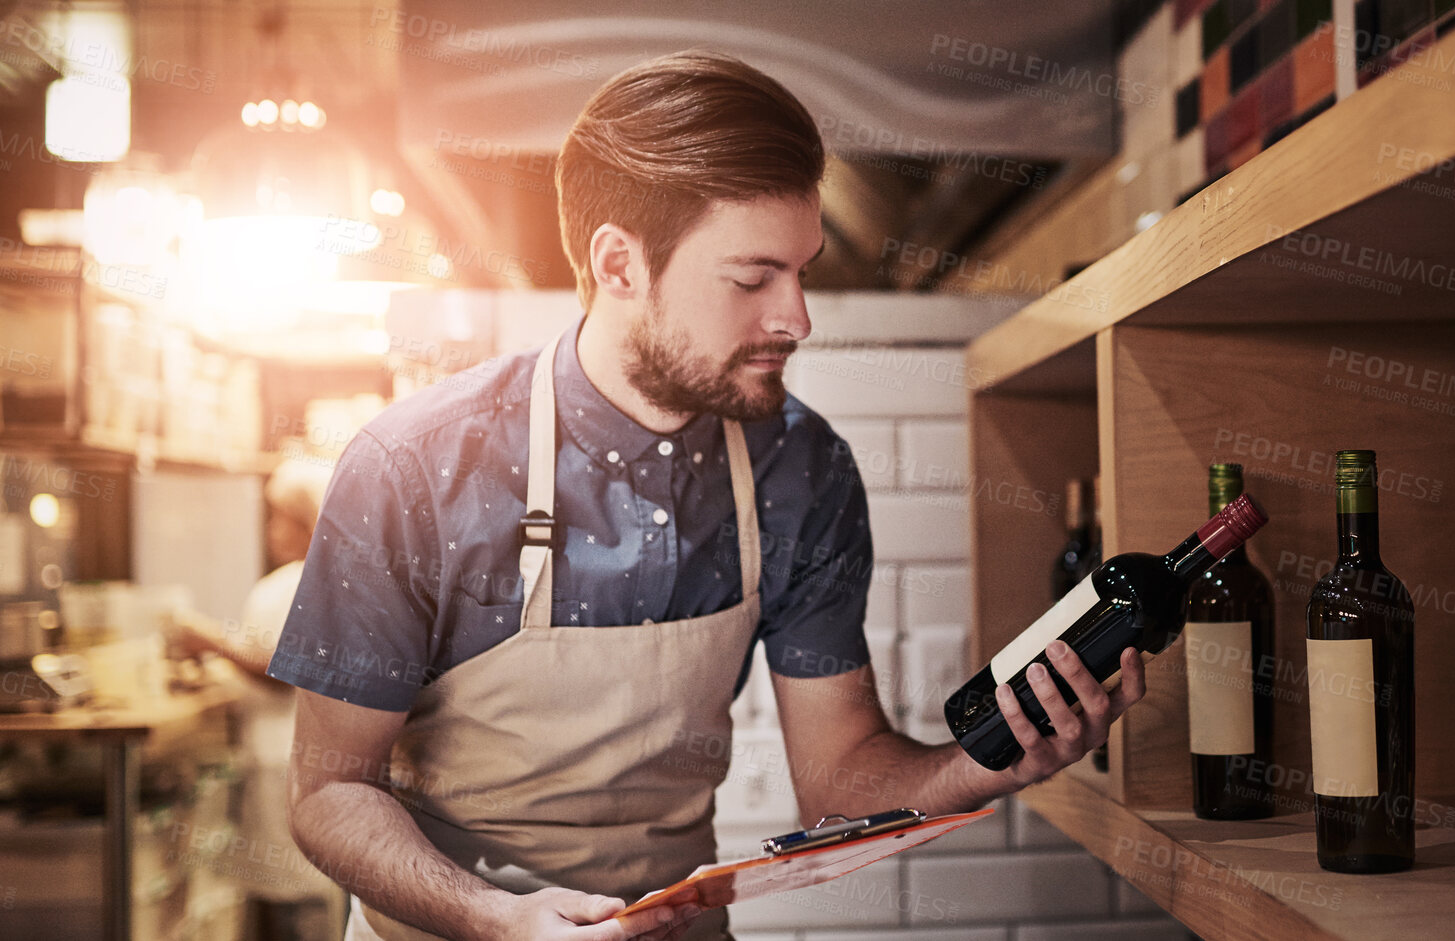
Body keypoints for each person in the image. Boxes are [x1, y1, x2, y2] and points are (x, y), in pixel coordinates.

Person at [268, 51, 1148, 941]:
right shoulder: (411, 468)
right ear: (619, 264)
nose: (797, 316)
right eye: (752, 277)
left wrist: (989, 765)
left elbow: (841, 779)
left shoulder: (803, 469)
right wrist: (494, 916)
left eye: (801, 271)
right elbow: (330, 790)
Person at [168, 458, 348, 939]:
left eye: (279, 518)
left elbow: (285, 670)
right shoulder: (294, 582)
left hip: (286, 758)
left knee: (298, 894)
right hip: (274, 756)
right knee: (278, 891)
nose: (271, 530)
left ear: (308, 520)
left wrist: (208, 639)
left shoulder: (311, 584)